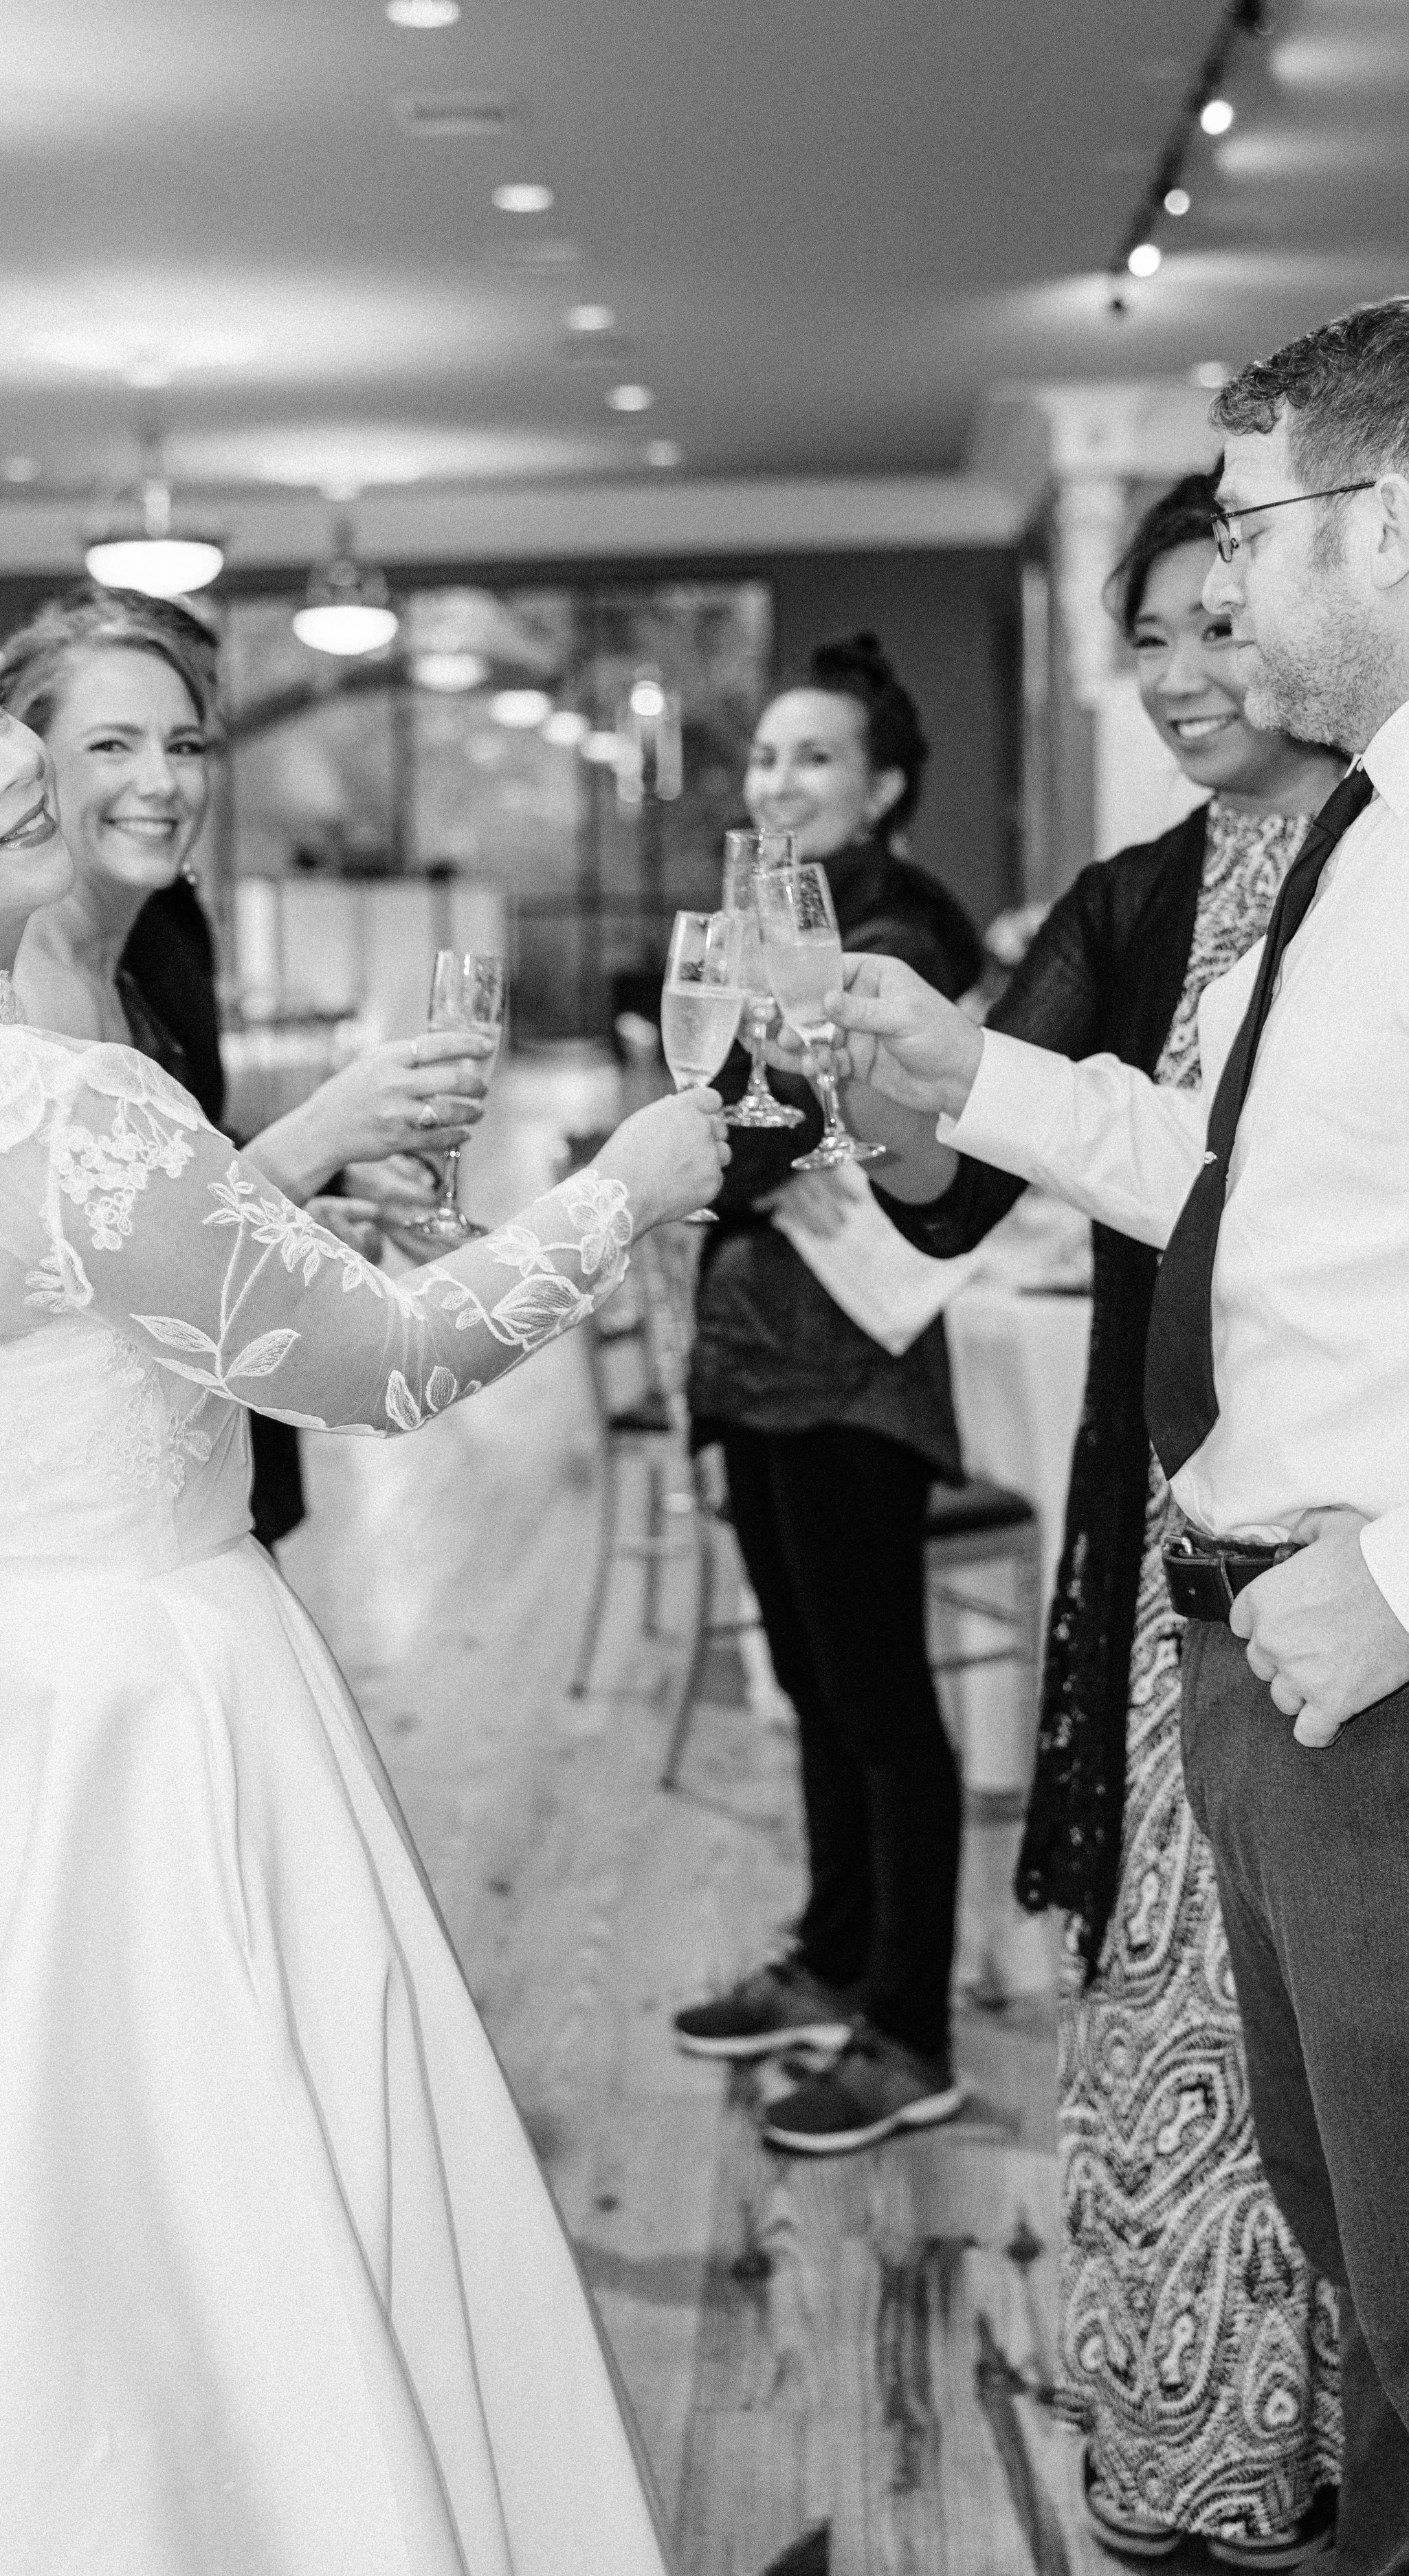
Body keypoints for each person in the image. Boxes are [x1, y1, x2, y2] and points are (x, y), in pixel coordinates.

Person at [0, 586, 728, 2574]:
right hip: (144, 1729)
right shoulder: (62, 1102)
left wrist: (270, 1189)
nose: (12, 769)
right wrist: (631, 1184)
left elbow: (25, 1325)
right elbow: (382, 1365)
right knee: (209, 2231)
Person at [828, 298, 1409, 2575]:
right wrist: (949, 1064)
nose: (1223, 592)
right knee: (1364, 2272)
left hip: (1365, 1659)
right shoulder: (1362, 842)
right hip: (1263, 1658)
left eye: (1253, 533)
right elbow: (1219, 1170)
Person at [0, 585, 487, 1549]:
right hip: (74, 1500)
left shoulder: (169, 936)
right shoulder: (0, 987)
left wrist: (323, 1193)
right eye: (112, 745)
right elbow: (73, 1287)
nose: (164, 783)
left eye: (185, 747)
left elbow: (176, 1173)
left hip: (206, 1453)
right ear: (25, 761)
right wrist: (320, 1133)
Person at [671, 635, 984, 2155]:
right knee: (807, 1679)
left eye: (814, 756)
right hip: (760, 1351)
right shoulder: (764, 927)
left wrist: (690, 1137)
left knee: (878, 1699)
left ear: (883, 783)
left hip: (852, 1356)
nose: (780, 779)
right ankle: (832, 1951)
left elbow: (768, 1131)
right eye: (766, 755)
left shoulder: (897, 926)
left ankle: (909, 2024)